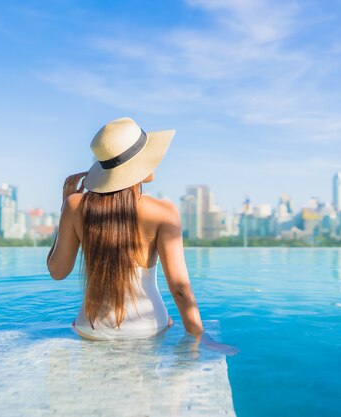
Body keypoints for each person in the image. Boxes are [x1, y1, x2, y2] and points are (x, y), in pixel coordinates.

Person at [46, 117, 238, 355]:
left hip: (91, 327)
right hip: (148, 327)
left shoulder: (75, 205)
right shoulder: (163, 211)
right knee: (167, 322)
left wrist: (65, 206)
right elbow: (179, 288)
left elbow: (57, 271)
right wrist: (200, 336)